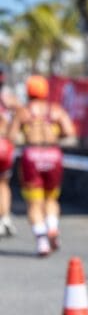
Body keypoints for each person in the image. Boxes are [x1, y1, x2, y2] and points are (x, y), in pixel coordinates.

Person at [8, 75, 76, 256]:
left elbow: (11, 137)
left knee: (34, 204)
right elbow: (69, 131)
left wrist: (25, 135)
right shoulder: (55, 110)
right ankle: (52, 226)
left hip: (32, 155)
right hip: (53, 155)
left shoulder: (24, 112)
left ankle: (42, 241)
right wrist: (54, 135)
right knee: (51, 199)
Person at [0, 66, 20, 237]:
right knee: (4, 184)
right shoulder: (8, 99)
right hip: (5, 145)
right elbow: (23, 112)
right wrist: (12, 132)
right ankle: (4, 218)